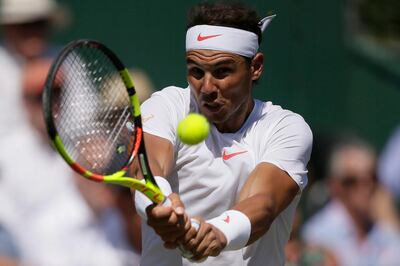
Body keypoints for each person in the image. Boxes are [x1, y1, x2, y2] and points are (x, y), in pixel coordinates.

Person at [133, 2, 313, 265]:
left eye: (222, 71)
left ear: (255, 67)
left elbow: (263, 202)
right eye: (196, 71)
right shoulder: (165, 106)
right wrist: (156, 205)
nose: (206, 87)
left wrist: (219, 233)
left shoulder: (286, 128)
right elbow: (146, 168)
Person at [301, 137, 400, 266]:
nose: (366, 187)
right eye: (352, 181)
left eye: (372, 178)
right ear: (335, 186)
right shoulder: (317, 233)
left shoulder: (384, 228)